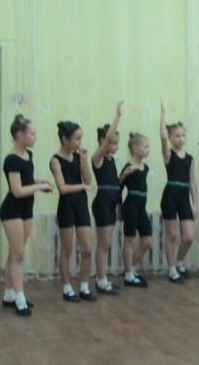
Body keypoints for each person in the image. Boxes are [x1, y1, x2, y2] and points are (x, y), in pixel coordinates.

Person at [0, 115, 54, 316]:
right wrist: (38, 187)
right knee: (18, 255)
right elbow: (17, 191)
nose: (35, 137)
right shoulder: (12, 159)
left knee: (15, 253)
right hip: (12, 210)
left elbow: (26, 181)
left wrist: (40, 183)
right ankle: (19, 299)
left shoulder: (28, 155)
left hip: (26, 210)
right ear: (20, 135)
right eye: (32, 133)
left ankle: (9, 295)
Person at [51, 121, 96, 303]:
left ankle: (84, 287)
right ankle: (67, 288)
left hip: (81, 205)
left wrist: (84, 160)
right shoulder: (55, 160)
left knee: (87, 248)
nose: (79, 142)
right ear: (65, 139)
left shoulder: (78, 157)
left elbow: (88, 179)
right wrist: (83, 186)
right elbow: (62, 188)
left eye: (80, 138)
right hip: (66, 206)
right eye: (77, 139)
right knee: (67, 248)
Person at [159, 101, 198, 283]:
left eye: (183, 135)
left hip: (184, 197)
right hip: (170, 196)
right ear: (170, 137)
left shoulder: (190, 158)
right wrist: (163, 115)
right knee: (172, 235)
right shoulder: (169, 155)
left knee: (189, 236)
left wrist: (195, 203)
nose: (181, 139)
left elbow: (192, 182)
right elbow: (162, 139)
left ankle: (179, 261)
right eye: (177, 136)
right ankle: (172, 269)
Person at [91, 101, 125, 295]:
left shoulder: (111, 161)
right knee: (103, 244)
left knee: (107, 244)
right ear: (103, 141)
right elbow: (108, 139)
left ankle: (103, 278)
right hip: (102, 203)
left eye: (117, 143)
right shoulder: (98, 158)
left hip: (111, 203)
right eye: (113, 142)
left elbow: (117, 187)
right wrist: (118, 115)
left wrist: (119, 207)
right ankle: (101, 281)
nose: (115, 146)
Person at [119, 133, 152, 288]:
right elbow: (118, 187)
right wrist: (119, 208)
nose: (148, 150)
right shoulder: (129, 167)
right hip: (131, 205)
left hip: (141, 207)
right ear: (135, 148)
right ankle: (128, 276)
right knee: (130, 240)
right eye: (145, 147)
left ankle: (129, 269)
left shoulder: (145, 167)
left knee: (147, 241)